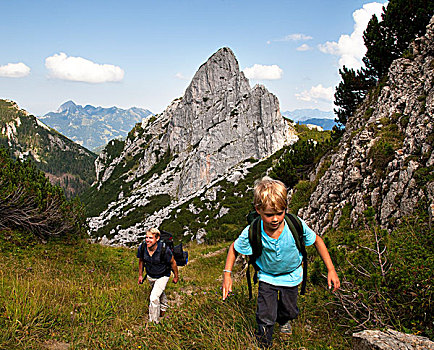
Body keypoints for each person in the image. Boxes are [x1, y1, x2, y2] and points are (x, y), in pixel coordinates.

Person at [222, 176, 340, 348]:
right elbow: (234, 248)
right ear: (258, 210)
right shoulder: (253, 230)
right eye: (269, 215)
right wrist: (227, 275)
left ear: (286, 208)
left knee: (290, 310)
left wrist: (331, 269)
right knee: (265, 315)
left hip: (291, 276)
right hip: (267, 277)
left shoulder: (294, 225)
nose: (275, 219)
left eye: (280, 213)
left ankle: (284, 320)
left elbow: (317, 241)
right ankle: (264, 343)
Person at [137, 227, 179, 324]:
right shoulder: (143, 247)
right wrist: (140, 275)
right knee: (158, 292)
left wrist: (176, 276)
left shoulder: (164, 250)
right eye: (146, 237)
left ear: (157, 238)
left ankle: (153, 322)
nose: (147, 240)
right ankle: (164, 306)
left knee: (153, 297)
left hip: (163, 275)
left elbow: (173, 263)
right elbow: (141, 261)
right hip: (150, 275)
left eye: (151, 238)